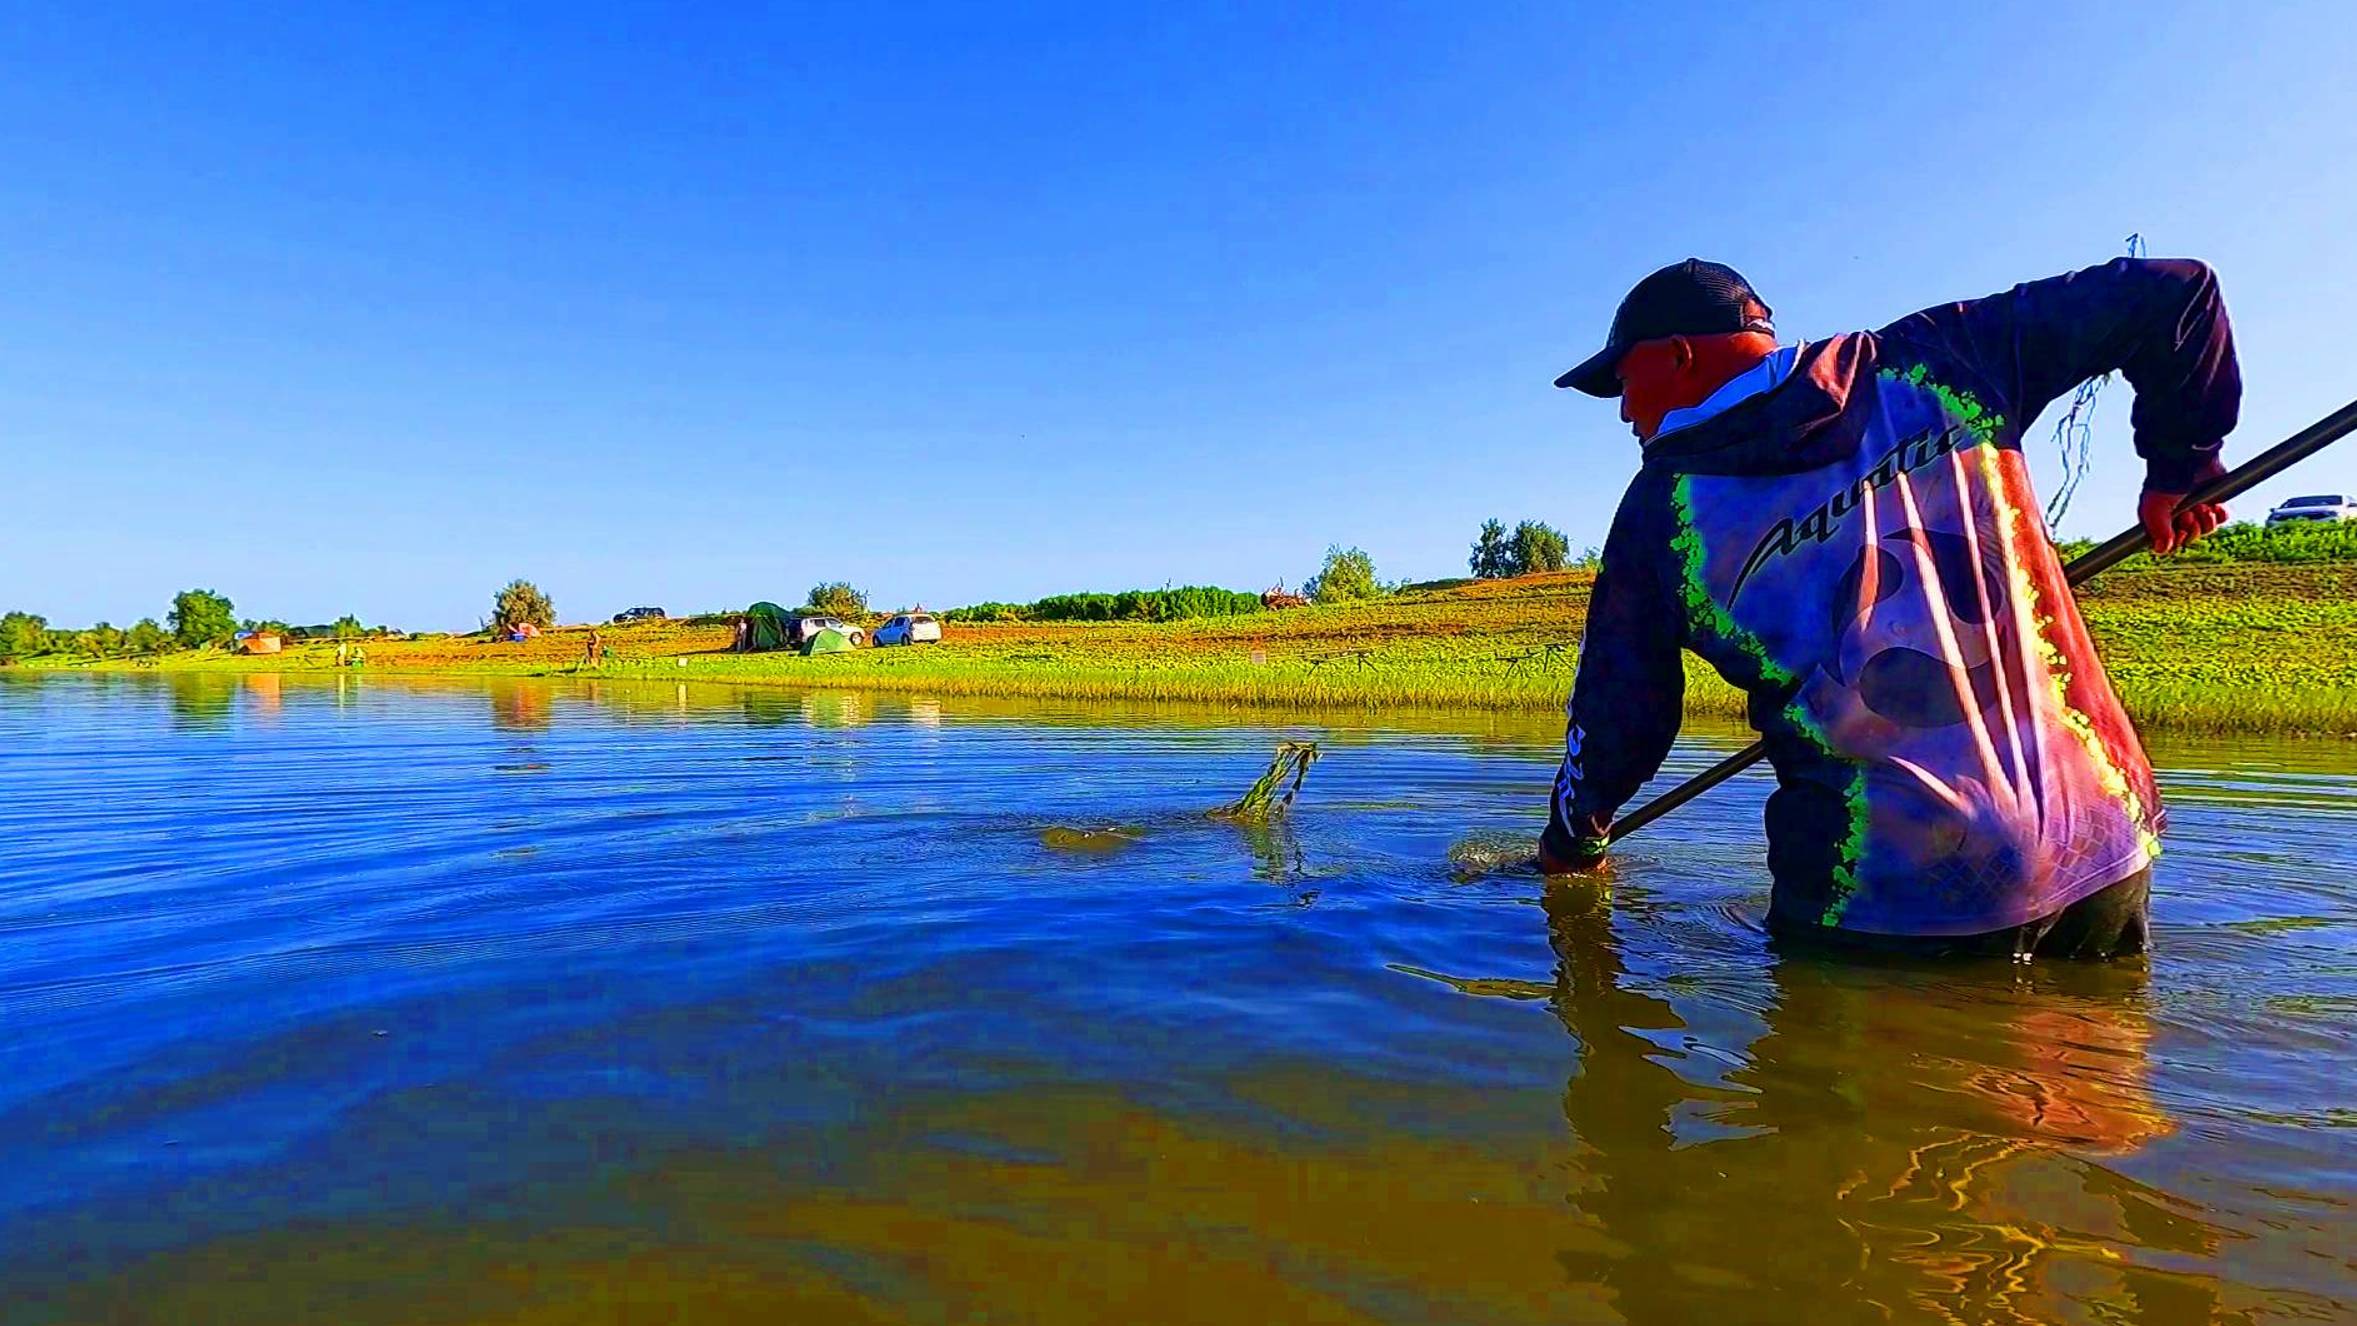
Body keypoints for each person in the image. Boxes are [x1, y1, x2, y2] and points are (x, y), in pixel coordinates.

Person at [1539, 257, 2241, 958]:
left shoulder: (1662, 513)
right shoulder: (1934, 360)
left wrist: (1572, 838)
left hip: (1881, 902)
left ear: (1679, 355)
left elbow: (1617, 714)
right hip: (2100, 848)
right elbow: (2172, 293)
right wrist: (2181, 463)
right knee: (2101, 1064)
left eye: (1623, 383)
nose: (1625, 412)